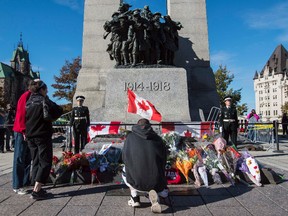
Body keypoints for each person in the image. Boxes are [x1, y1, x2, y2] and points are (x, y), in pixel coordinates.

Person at [26, 81, 63, 200]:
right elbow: (59, 110)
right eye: (46, 89)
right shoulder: (43, 100)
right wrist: (46, 98)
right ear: (41, 89)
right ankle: (36, 190)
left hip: (30, 135)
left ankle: (36, 186)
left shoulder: (29, 101)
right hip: (42, 134)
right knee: (45, 161)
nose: (47, 91)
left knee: (36, 160)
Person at [122, 118, 168, 213]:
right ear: (149, 126)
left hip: (136, 180)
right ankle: (155, 195)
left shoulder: (130, 137)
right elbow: (163, 159)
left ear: (136, 125)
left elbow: (125, 157)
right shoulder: (157, 138)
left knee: (125, 170)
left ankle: (134, 198)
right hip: (156, 180)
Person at [12, 80, 39, 195]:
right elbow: (22, 115)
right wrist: (24, 131)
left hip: (28, 132)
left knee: (28, 158)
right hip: (21, 131)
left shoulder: (32, 96)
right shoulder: (26, 96)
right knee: (19, 157)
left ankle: (25, 181)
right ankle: (17, 185)